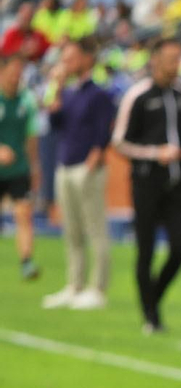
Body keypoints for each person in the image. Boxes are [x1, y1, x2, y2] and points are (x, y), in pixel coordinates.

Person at [112, 36, 181, 333]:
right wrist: (154, 153)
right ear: (156, 61)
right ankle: (151, 316)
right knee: (146, 250)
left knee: (178, 249)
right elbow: (120, 142)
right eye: (171, 58)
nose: (177, 64)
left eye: (179, 58)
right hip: (147, 183)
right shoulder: (138, 95)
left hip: (176, 185)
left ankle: (154, 300)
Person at [42, 36, 115, 311]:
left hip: (87, 168)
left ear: (87, 58)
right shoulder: (69, 92)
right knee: (71, 231)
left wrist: (91, 164)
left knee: (95, 229)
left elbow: (101, 133)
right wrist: (57, 89)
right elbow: (54, 122)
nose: (66, 64)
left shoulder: (99, 94)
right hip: (66, 165)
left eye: (71, 58)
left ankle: (98, 288)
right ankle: (75, 285)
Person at [0, 53, 42, 281]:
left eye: (20, 73)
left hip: (18, 169)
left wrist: (35, 167)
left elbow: (32, 137)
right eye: (12, 72)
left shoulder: (26, 101)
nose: (16, 77)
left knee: (24, 214)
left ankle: (26, 261)